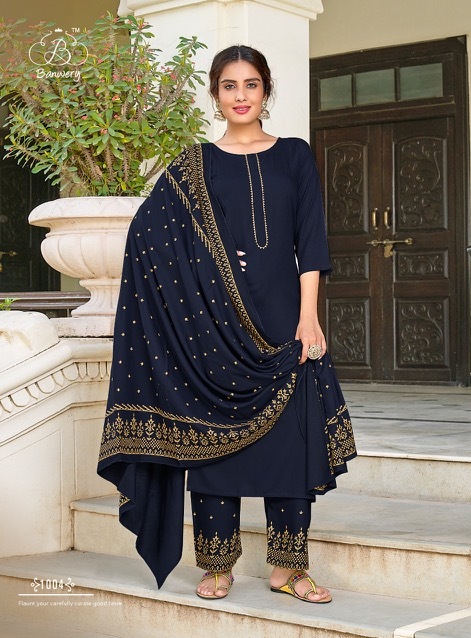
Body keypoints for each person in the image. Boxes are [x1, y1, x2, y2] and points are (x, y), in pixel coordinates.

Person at [98, 45, 356, 605]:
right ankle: (217, 566)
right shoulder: (197, 164)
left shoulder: (294, 155)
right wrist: (199, 270)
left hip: (285, 319)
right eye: (229, 86)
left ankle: (289, 568)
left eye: (251, 84)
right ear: (215, 95)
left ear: (267, 91)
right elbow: (147, 235)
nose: (241, 96)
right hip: (213, 327)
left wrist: (308, 316)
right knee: (215, 446)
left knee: (292, 444)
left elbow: (310, 241)